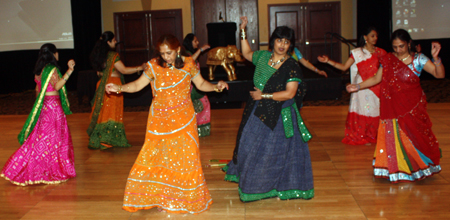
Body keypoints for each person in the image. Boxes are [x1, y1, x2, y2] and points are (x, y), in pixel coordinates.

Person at [105, 34, 229, 214]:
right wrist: (119, 88)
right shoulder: (153, 66)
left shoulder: (188, 64)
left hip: (184, 120)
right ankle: (162, 197)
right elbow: (138, 85)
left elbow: (201, 84)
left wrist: (216, 86)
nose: (166, 57)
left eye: (169, 53)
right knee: (158, 158)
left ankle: (185, 198)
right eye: (163, 53)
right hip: (159, 122)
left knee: (185, 159)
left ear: (177, 50)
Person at [223, 17, 314, 202]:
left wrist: (263, 95)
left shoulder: (291, 66)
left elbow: (290, 93)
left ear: (290, 45)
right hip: (257, 108)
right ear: (273, 41)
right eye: (279, 40)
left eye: (287, 42)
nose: (282, 45)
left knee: (273, 152)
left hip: (279, 114)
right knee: (247, 144)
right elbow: (247, 52)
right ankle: (251, 178)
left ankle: (266, 185)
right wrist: (243, 31)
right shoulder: (263, 57)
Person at [347, 29, 445, 183]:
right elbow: (376, 78)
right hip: (392, 108)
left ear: (408, 44)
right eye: (395, 47)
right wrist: (358, 86)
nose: (398, 50)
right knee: (394, 137)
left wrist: (436, 58)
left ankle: (418, 166)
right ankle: (396, 168)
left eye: (401, 46)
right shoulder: (388, 59)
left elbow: (439, 74)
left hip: (412, 107)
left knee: (415, 137)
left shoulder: (418, 59)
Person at [0, 43, 76, 186]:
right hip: (53, 107)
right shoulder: (51, 69)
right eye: (57, 52)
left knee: (39, 138)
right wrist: (69, 71)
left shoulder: (40, 70)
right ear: (53, 54)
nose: (58, 54)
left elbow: (37, 90)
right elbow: (58, 86)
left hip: (44, 106)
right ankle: (51, 169)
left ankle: (28, 167)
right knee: (54, 139)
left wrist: (39, 106)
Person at [318, 27, 387, 145]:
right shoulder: (357, 53)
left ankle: (373, 134)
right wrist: (328, 61)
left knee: (375, 110)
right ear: (365, 37)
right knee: (363, 110)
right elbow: (344, 67)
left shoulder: (381, 52)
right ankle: (361, 135)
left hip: (376, 85)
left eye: (376, 36)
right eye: (372, 36)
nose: (375, 38)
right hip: (361, 86)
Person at [87, 31, 146, 150]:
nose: (115, 42)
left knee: (103, 112)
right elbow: (123, 70)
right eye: (113, 40)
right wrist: (140, 68)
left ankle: (101, 138)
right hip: (113, 85)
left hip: (102, 85)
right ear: (108, 42)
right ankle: (107, 140)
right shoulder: (113, 55)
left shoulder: (98, 55)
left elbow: (99, 72)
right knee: (111, 112)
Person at [183, 33, 212, 137]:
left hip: (195, 85)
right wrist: (201, 49)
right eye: (195, 41)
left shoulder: (191, 52)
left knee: (202, 103)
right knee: (199, 104)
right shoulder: (186, 54)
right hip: (190, 87)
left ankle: (199, 130)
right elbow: (190, 62)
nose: (197, 43)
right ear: (189, 42)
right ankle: (194, 129)